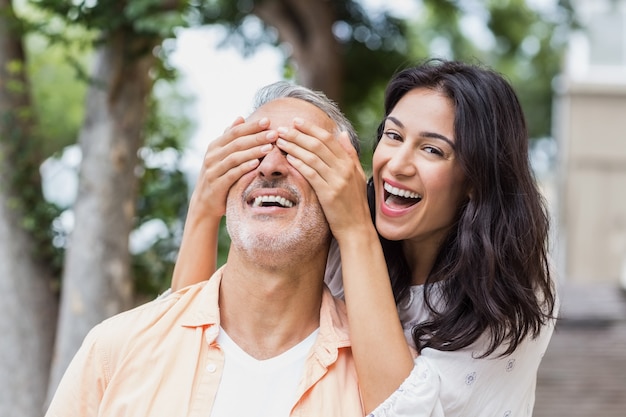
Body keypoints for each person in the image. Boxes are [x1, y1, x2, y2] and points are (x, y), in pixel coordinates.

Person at [169, 58, 558, 416]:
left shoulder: (510, 290)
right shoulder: (340, 226)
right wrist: (204, 209)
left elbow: (400, 410)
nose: (397, 164)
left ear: (476, 178)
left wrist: (356, 231)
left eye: (431, 150)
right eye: (393, 136)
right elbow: (183, 346)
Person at [45, 82, 370, 417]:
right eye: (253, 149)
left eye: (301, 151)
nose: (270, 165)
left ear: (346, 193)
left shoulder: (380, 384)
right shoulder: (114, 349)